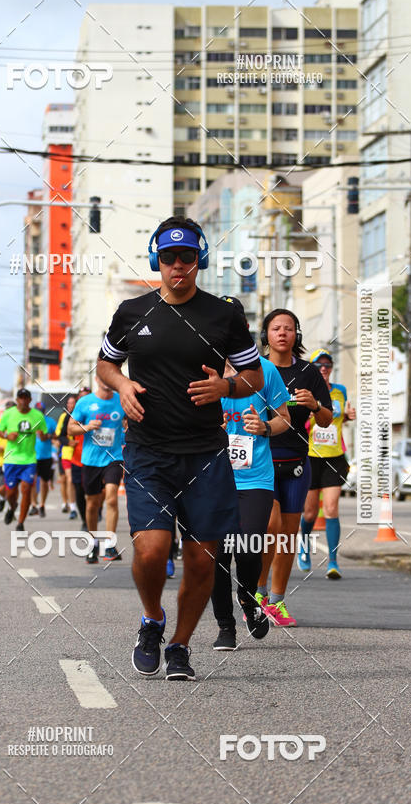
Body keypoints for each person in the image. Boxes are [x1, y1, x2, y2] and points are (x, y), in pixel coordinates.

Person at [97, 216, 264, 681]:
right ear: (157, 260)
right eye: (168, 257)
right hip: (148, 451)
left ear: (199, 261)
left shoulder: (224, 314)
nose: (177, 266)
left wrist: (226, 387)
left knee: (200, 559)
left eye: (187, 257)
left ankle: (180, 646)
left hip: (207, 454)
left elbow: (251, 376)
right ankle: (152, 618)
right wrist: (122, 384)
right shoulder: (132, 312)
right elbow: (105, 366)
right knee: (150, 551)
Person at [211, 298, 290, 651]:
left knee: (247, 546)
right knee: (215, 556)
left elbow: (285, 417)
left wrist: (265, 427)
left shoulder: (264, 370)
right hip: (212, 477)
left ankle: (247, 600)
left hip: (254, 477)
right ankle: (225, 626)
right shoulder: (201, 368)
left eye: (235, 323)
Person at [255, 311, 333, 627]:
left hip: (297, 462)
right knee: (270, 527)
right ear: (266, 334)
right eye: (276, 328)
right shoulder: (256, 370)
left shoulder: (308, 373)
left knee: (288, 535)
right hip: (262, 459)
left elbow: (326, 420)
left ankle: (276, 601)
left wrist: (314, 405)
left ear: (296, 335)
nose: (283, 333)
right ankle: (256, 592)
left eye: (289, 328)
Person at [298, 349, 356, 579]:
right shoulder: (306, 392)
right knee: (310, 513)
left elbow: (342, 418)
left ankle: (333, 561)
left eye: (327, 364)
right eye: (319, 365)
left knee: (331, 508)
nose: (324, 368)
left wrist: (350, 416)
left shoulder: (340, 391)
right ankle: (304, 546)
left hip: (335, 457)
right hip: (312, 456)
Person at [69, 378, 126, 563]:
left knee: (111, 497)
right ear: (97, 380)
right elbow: (70, 428)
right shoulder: (85, 402)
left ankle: (110, 544)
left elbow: (133, 419)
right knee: (92, 504)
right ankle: (93, 544)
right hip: (91, 460)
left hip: (114, 457)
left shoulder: (121, 399)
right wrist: (86, 427)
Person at [0, 389, 49, 532]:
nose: (23, 400)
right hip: (12, 459)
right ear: (17, 399)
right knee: (11, 492)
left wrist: (43, 436)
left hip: (29, 459)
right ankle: (12, 507)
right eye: (21, 398)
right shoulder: (8, 414)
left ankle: (20, 523)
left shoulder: (37, 415)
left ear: (30, 400)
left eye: (26, 398)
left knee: (26, 489)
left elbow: (44, 435)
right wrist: (7, 436)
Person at [29, 402, 57, 518]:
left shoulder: (50, 421)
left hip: (46, 456)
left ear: (45, 410)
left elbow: (56, 435)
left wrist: (48, 436)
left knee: (44, 482)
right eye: (38, 410)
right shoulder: (30, 421)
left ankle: (42, 505)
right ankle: (33, 505)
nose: (39, 412)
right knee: (32, 481)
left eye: (41, 410)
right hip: (31, 455)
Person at [55, 394, 80, 518]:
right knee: (68, 480)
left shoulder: (82, 416)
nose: (71, 406)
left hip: (81, 453)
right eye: (69, 403)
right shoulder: (64, 417)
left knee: (79, 482)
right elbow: (59, 435)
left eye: (73, 403)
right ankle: (72, 507)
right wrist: (69, 442)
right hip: (66, 453)